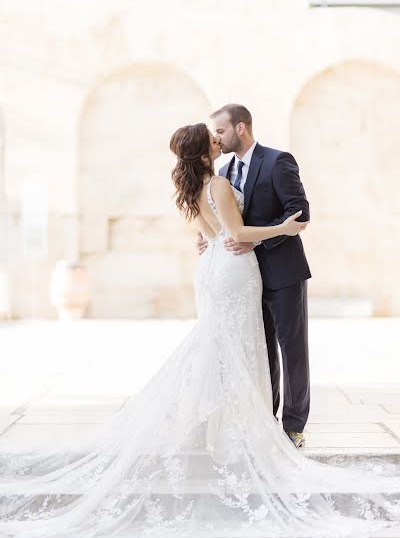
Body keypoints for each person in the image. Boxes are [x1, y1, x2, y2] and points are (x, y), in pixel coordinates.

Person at [0, 122, 399, 537]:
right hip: (233, 269)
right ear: (205, 150)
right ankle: (234, 434)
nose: (217, 139)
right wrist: (282, 229)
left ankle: (219, 430)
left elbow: (211, 234)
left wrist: (219, 237)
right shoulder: (220, 185)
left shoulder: (191, 189)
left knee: (222, 346)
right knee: (238, 346)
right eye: (212, 137)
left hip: (211, 267)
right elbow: (238, 233)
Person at [198, 104, 311, 448]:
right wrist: (209, 239)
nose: (215, 138)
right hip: (242, 278)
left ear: (241, 128)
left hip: (283, 271)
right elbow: (224, 218)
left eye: (220, 131)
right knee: (260, 350)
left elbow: (300, 213)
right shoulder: (223, 173)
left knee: (291, 348)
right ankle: (265, 419)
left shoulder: (278, 161)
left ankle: (294, 427)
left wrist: (259, 238)